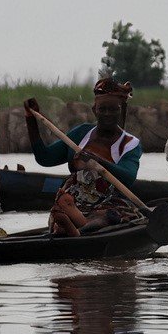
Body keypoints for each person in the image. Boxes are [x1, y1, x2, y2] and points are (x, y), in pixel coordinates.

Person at [24, 78, 143, 237]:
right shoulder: (81, 134)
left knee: (113, 216)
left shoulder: (129, 143)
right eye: (103, 109)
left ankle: (78, 229)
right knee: (62, 212)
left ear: (121, 110)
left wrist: (98, 161)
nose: (108, 114)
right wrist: (31, 120)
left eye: (113, 109)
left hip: (109, 203)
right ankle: (75, 224)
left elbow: (128, 178)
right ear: (95, 110)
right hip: (73, 201)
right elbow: (44, 158)